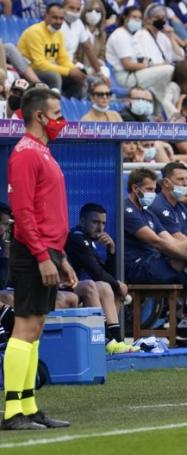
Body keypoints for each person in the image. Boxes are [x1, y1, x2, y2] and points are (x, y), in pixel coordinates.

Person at [3, 88, 75, 430]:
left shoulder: (42, 151)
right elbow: (23, 212)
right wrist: (42, 255)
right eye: (57, 113)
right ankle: (12, 411)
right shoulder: (26, 153)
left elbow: (46, 212)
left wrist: (59, 257)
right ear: (39, 116)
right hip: (33, 252)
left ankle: (28, 407)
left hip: (47, 251)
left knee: (36, 328)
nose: (62, 120)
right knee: (25, 326)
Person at [124, 168, 187, 318]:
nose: (153, 193)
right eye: (149, 189)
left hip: (156, 261)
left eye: (154, 189)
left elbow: (169, 241)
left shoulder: (148, 213)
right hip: (139, 267)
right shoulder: (127, 210)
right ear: (135, 188)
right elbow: (156, 242)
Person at [65, 203, 138, 354]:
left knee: (109, 288)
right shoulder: (76, 238)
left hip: (79, 287)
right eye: (95, 222)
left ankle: (117, 341)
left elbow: (104, 273)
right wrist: (117, 284)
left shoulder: (89, 240)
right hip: (65, 287)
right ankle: (107, 339)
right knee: (102, 286)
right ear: (82, 221)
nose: (100, 228)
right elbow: (97, 273)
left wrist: (111, 252)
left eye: (103, 223)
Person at [105, 6, 174, 107]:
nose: (137, 20)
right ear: (125, 17)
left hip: (134, 74)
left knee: (163, 80)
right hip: (124, 77)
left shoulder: (130, 35)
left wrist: (152, 65)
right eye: (134, 17)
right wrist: (150, 66)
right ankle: (167, 110)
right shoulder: (120, 35)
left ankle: (161, 111)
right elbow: (128, 65)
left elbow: (140, 60)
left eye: (139, 18)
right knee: (170, 70)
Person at [17, 2, 88, 98]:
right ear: (46, 15)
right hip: (28, 71)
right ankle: (54, 106)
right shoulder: (35, 32)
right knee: (54, 76)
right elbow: (39, 64)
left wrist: (74, 70)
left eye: (61, 18)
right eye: (55, 18)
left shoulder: (58, 34)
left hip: (46, 69)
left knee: (79, 78)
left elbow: (63, 59)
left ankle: (70, 108)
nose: (58, 21)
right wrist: (68, 72)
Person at [148, 162, 187, 241]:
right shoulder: (158, 205)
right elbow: (180, 240)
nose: (185, 183)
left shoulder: (180, 205)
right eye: (180, 179)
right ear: (166, 183)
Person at [61, 0, 109, 84]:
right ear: (63, 8)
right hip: (58, 65)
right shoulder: (57, 24)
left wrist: (99, 73)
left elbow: (88, 49)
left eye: (77, 9)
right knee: (83, 77)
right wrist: (82, 69)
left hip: (70, 65)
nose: (74, 12)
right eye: (71, 8)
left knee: (99, 80)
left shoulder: (78, 24)